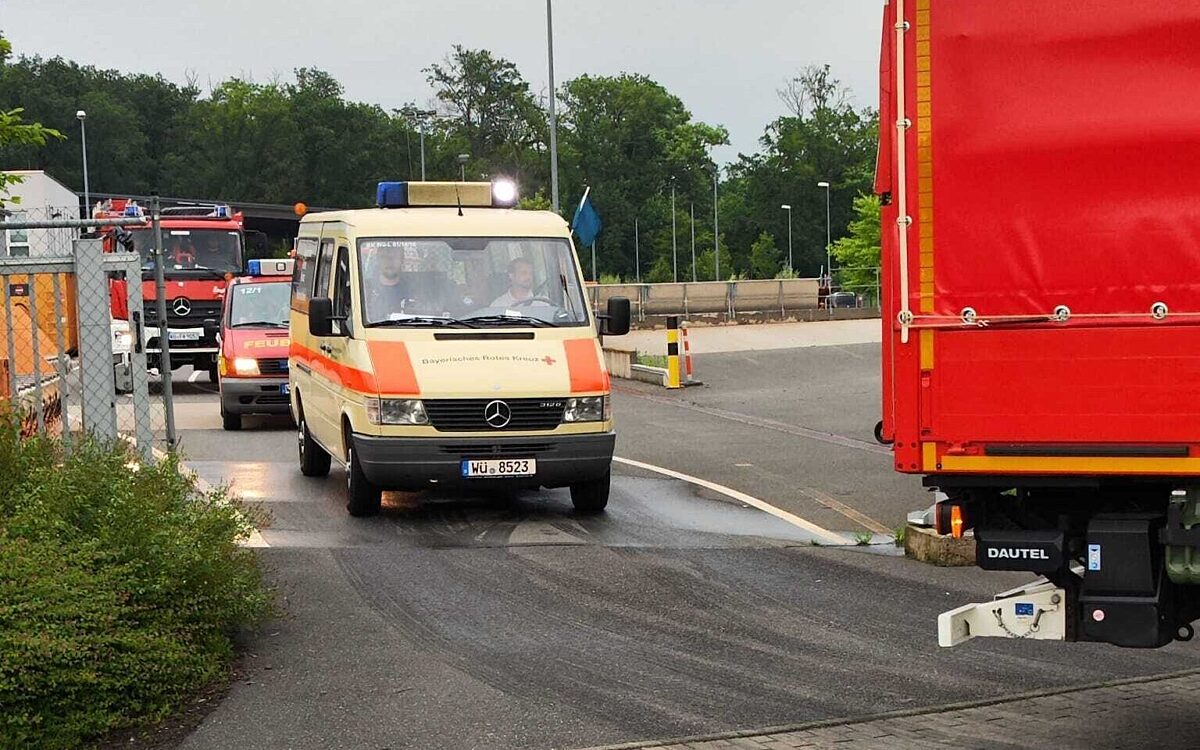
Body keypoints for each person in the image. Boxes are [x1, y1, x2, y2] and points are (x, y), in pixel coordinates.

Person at [364, 244, 413, 322]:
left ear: (402, 259)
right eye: (384, 257)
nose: (390, 261)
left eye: (394, 257)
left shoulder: (413, 290)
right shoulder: (364, 290)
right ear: (378, 260)